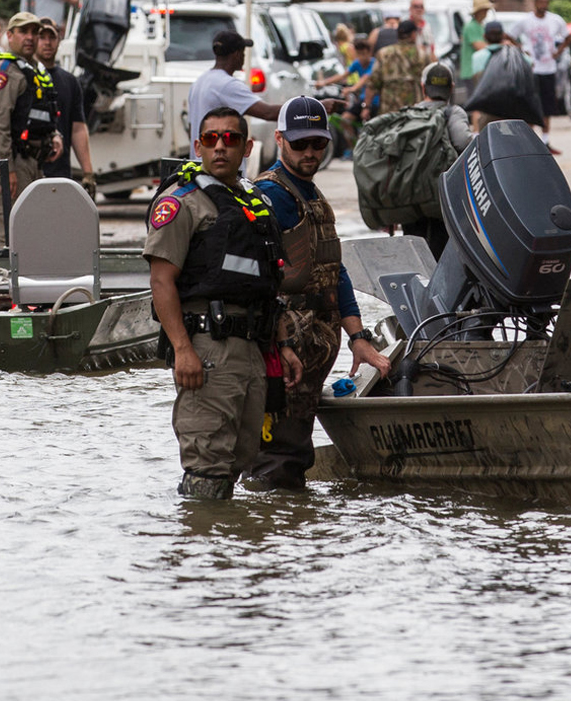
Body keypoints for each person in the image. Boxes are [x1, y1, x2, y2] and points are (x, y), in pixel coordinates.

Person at [143, 105, 293, 500]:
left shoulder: (253, 201)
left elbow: (267, 283)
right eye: (211, 139)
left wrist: (283, 345)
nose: (220, 146)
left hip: (253, 348)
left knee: (239, 458)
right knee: (207, 466)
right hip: (208, 347)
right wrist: (182, 350)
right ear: (198, 147)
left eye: (230, 138)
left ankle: (225, 538)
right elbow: (161, 280)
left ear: (247, 147)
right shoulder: (182, 202)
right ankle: (198, 533)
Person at [245, 96, 392, 490]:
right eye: (300, 144)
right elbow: (257, 279)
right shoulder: (270, 196)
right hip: (287, 345)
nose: (310, 152)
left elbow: (334, 269)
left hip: (315, 343)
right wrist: (279, 345)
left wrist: (359, 338)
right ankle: (272, 519)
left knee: (295, 445)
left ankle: (289, 519)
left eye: (318, 143)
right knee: (280, 454)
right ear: (279, 139)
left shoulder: (310, 194)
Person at [0, 14, 62, 248]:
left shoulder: (31, 68)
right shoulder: (4, 72)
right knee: (13, 240)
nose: (30, 38)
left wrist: (54, 136)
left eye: (34, 32)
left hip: (34, 162)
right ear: (10, 36)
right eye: (23, 32)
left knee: (34, 237)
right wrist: (7, 170)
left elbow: (35, 114)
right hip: (14, 164)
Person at [398, 62, 473, 258]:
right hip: (442, 197)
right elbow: (463, 141)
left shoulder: (408, 113)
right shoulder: (453, 112)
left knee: (415, 250)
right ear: (451, 88)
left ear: (423, 87)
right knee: (440, 251)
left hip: (411, 197)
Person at [35, 21, 95, 195]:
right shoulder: (24, 77)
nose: (47, 42)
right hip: (31, 170)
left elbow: (78, 129)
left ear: (59, 39)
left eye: (52, 37)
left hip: (60, 172)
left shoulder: (69, 81)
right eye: (42, 37)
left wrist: (88, 172)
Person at [517, 0, 568, 147]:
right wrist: (522, 50)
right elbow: (510, 35)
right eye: (540, 2)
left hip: (548, 68)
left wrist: (558, 52)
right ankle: (529, 139)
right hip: (532, 69)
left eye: (546, 2)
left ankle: (545, 139)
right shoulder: (526, 20)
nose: (543, 5)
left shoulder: (555, 20)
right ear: (535, 3)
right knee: (531, 105)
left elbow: (568, 37)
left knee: (547, 106)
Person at [374, 18, 436, 118]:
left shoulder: (383, 53)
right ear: (413, 34)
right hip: (415, 109)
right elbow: (430, 82)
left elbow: (373, 83)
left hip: (389, 109)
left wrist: (366, 107)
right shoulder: (422, 55)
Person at [458, 0, 491, 104]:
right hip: (471, 71)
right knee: (475, 101)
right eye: (484, 10)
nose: (486, 13)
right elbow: (479, 46)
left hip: (478, 70)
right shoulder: (471, 26)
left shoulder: (480, 26)